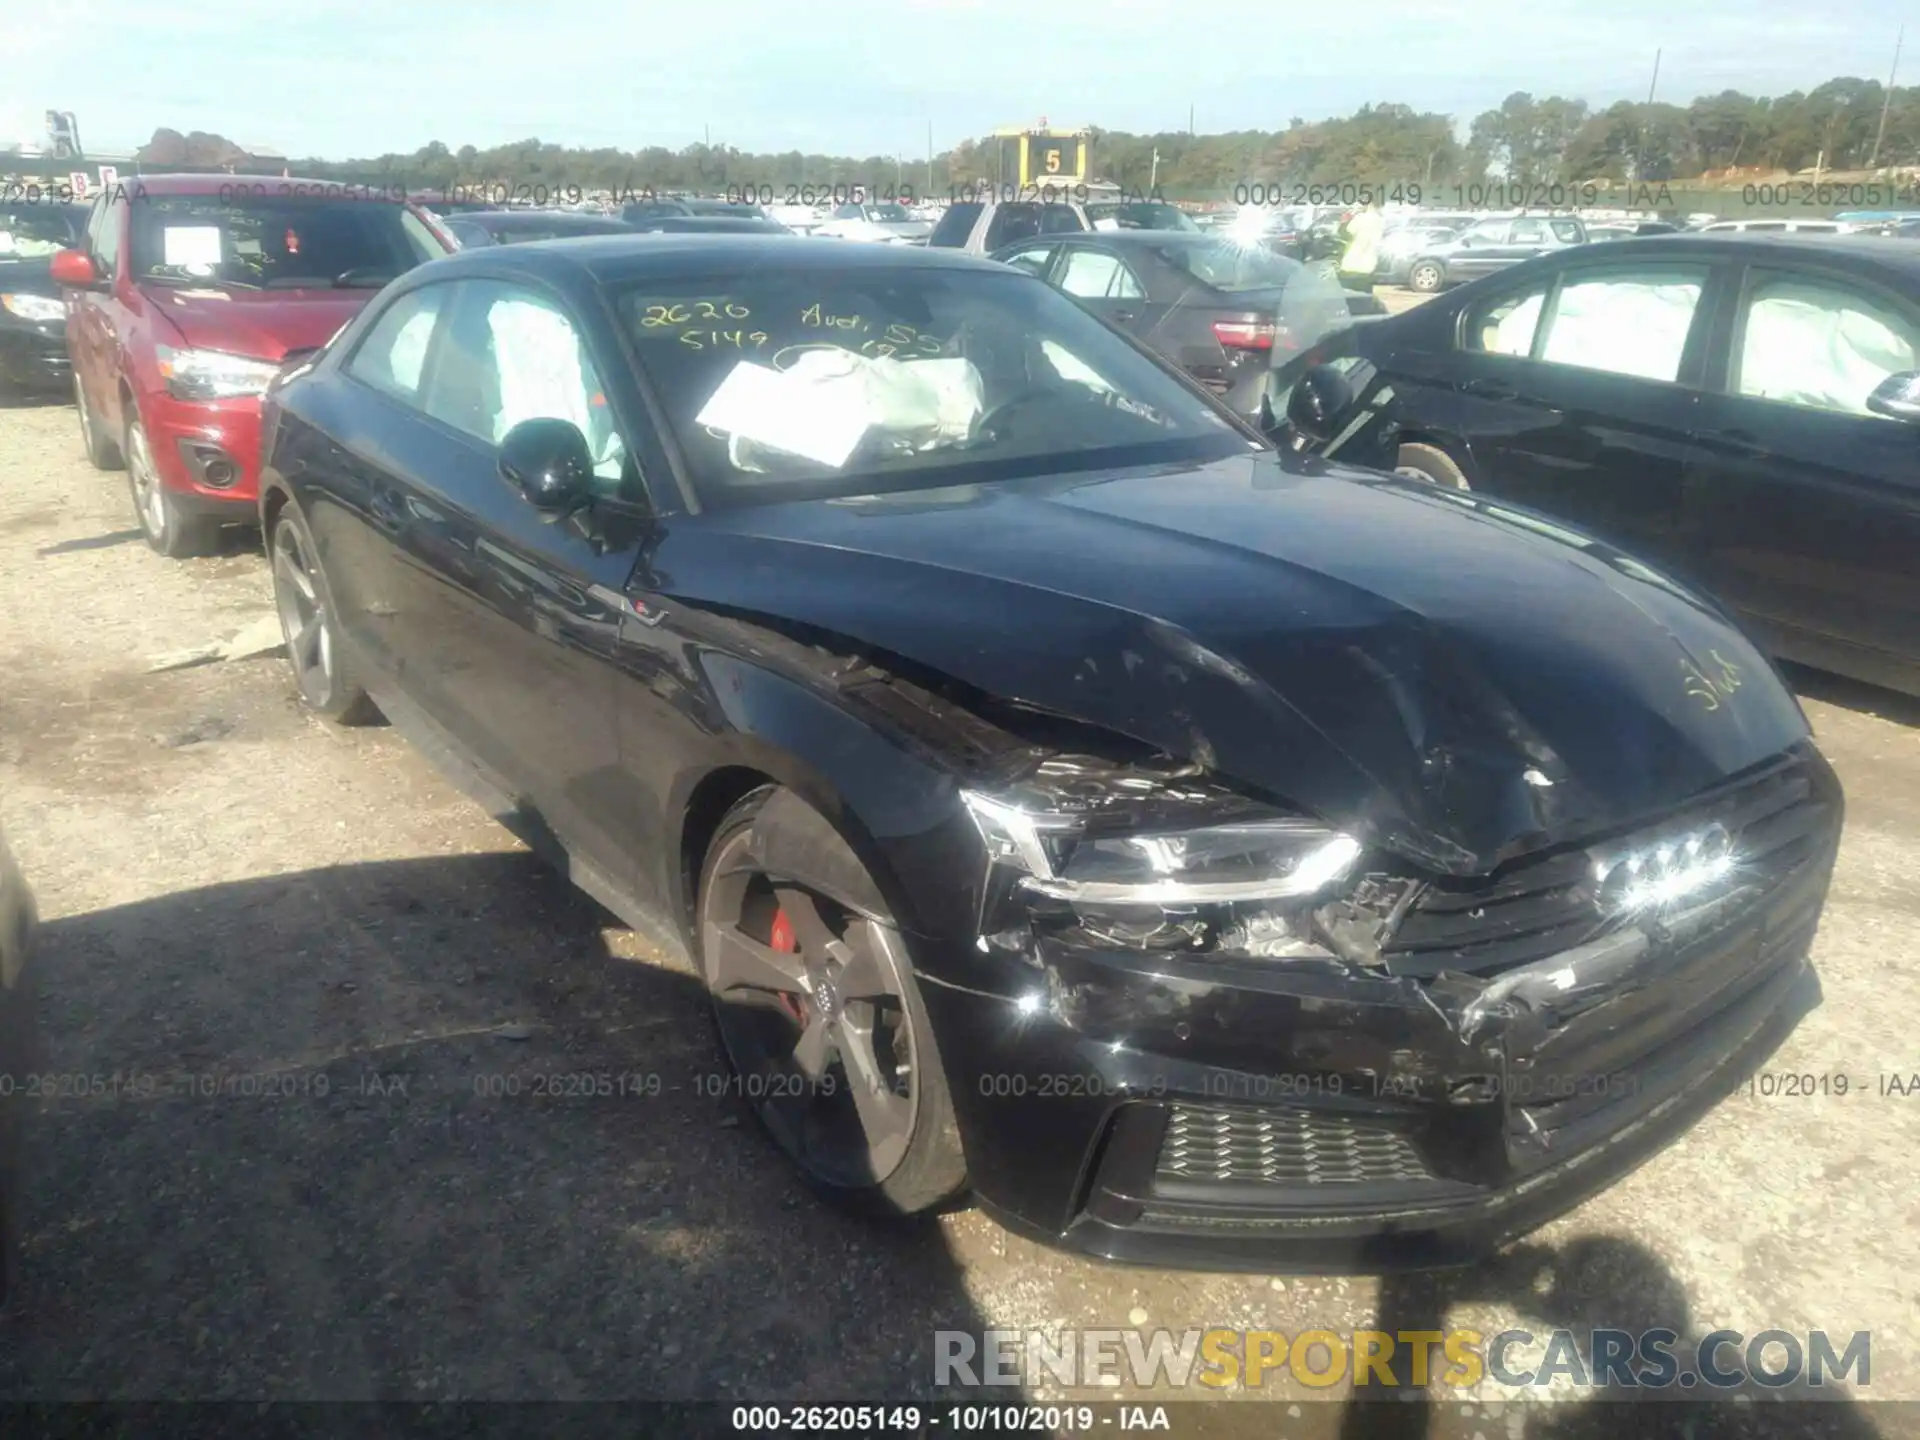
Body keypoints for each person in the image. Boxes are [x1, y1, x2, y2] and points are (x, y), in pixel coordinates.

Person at [1338, 200, 1385, 296]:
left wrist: (1343, 223)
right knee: (1364, 301)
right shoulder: (1381, 221)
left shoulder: (1360, 219)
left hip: (1351, 267)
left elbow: (1344, 235)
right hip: (1369, 268)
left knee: (1348, 302)